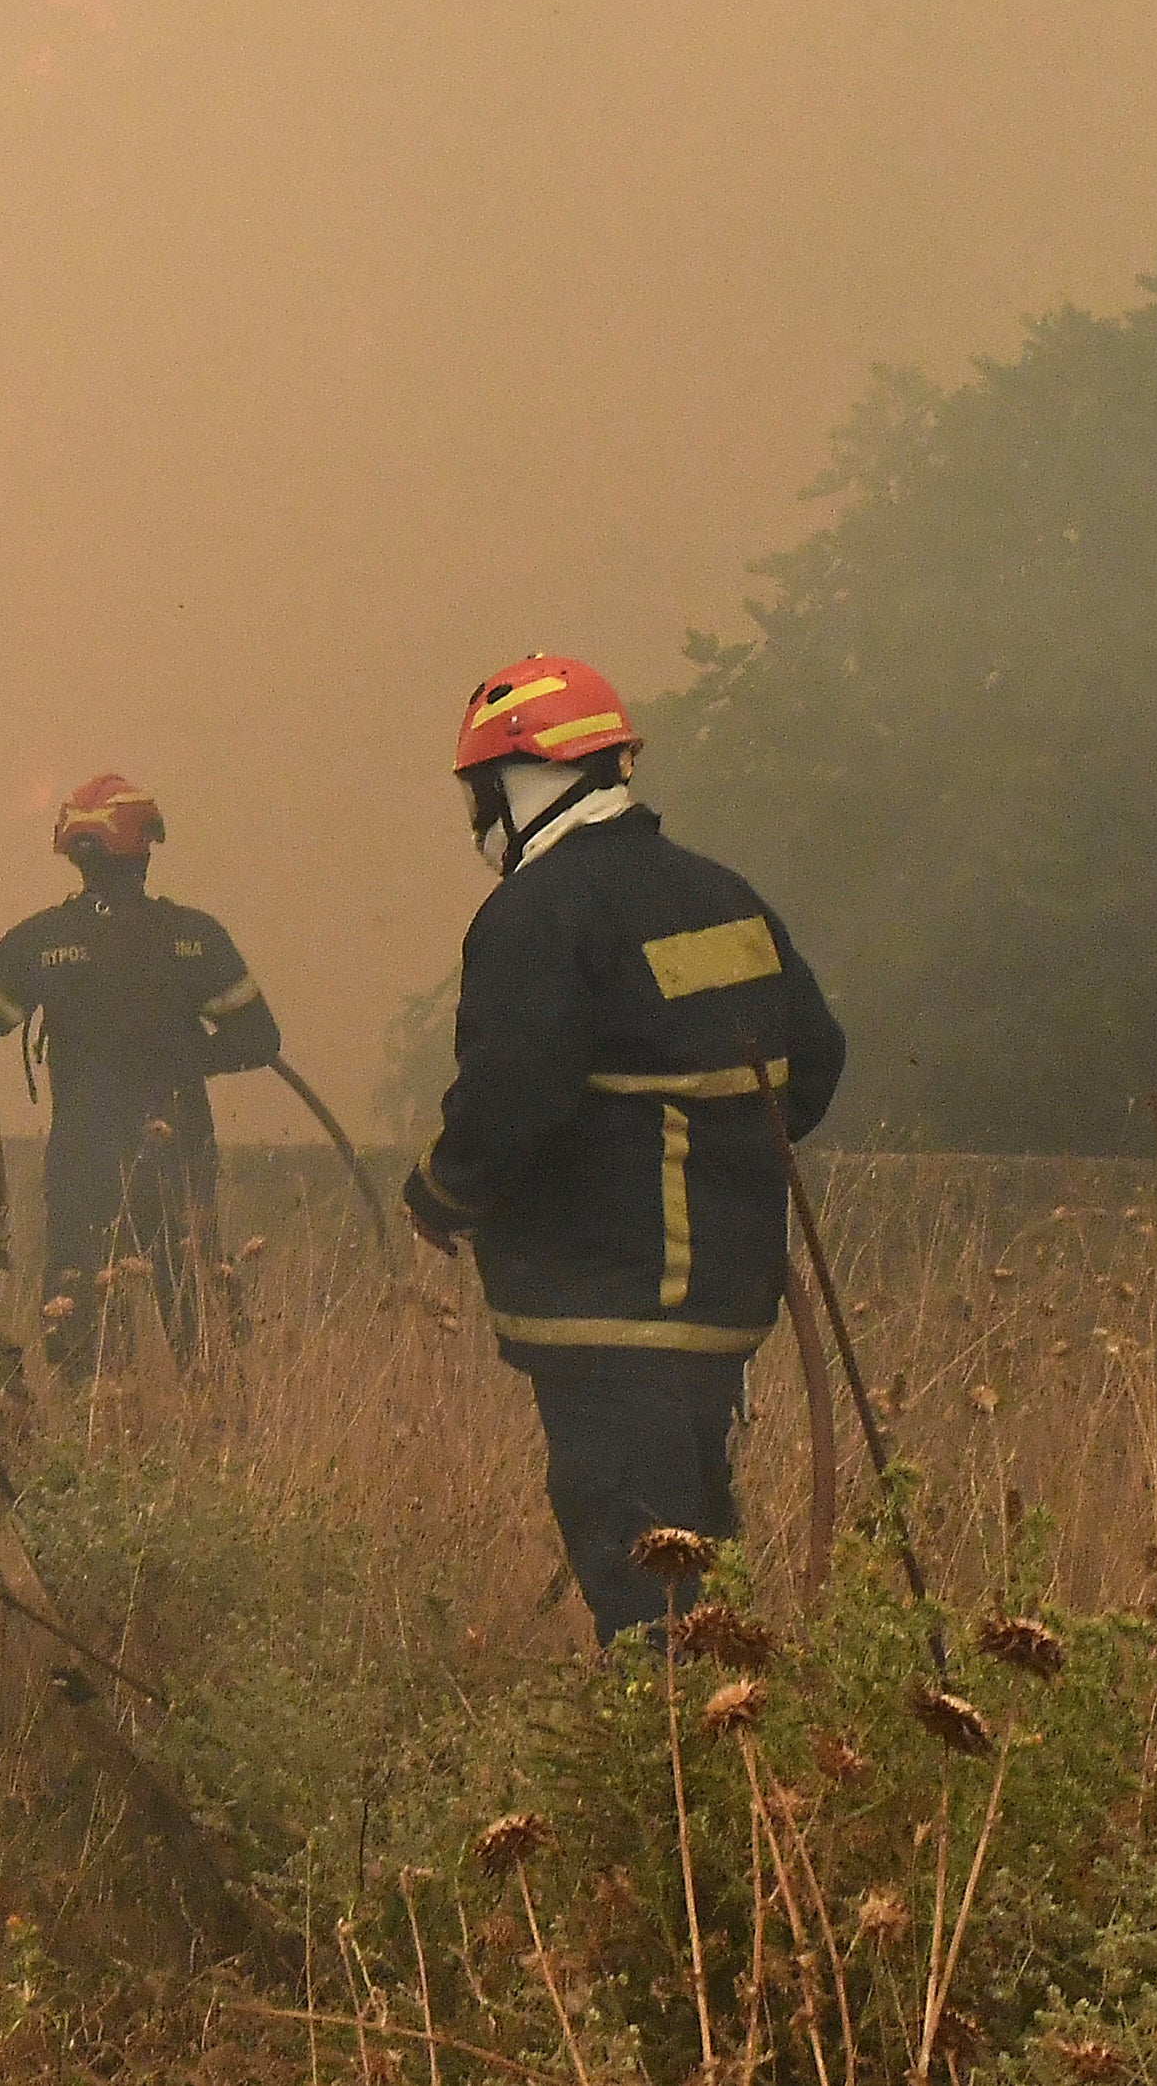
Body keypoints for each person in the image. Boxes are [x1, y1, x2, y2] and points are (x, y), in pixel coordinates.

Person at [402, 656, 848, 1643]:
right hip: (722, 1307)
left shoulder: (538, 912)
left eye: (481, 790)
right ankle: (724, 1774)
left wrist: (442, 1193)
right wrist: (717, 1151)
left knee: (644, 1589)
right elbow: (812, 1062)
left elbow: (511, 1090)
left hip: (608, 1309)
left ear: (520, 780)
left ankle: (666, 1774)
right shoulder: (721, 892)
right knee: (700, 1578)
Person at [0, 774, 282, 1368]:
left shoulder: (43, 941)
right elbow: (259, 1038)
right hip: (180, 1157)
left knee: (81, 1336)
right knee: (201, 1329)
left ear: (75, 853)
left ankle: (93, 1441)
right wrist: (186, 1053)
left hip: (86, 1165)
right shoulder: (193, 937)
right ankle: (225, 1441)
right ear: (145, 847)